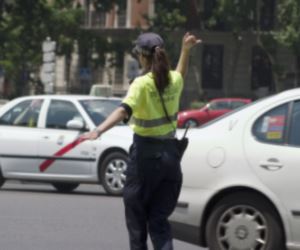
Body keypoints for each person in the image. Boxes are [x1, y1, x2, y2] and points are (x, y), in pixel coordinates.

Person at [82, 32, 201, 250]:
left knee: (137, 222)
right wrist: (185, 51)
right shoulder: (173, 81)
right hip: (171, 161)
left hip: (146, 159)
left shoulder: (141, 83)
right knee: (159, 222)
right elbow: (180, 73)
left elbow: (123, 110)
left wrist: (98, 130)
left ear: (142, 57)